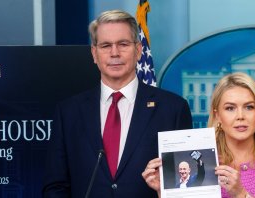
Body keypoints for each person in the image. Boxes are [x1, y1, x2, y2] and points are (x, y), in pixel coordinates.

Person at [42, 10, 192, 198]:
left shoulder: (173, 109)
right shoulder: (69, 112)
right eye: (105, 45)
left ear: (138, 51)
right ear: (94, 53)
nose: (114, 53)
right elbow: (55, 186)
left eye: (123, 44)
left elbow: (185, 185)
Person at [143, 72, 255, 198]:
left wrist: (241, 194)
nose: (240, 116)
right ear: (218, 116)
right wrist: (164, 191)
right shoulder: (201, 164)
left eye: (249, 107)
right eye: (230, 108)